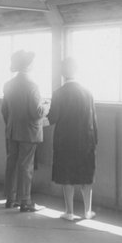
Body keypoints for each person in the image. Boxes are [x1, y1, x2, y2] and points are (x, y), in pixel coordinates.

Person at [48, 57, 97, 221]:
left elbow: (52, 118)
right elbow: (93, 119)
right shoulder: (88, 92)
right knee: (86, 175)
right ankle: (87, 211)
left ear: (62, 73)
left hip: (65, 141)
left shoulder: (58, 93)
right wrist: (94, 140)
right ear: (77, 70)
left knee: (67, 176)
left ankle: (69, 212)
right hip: (86, 140)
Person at [1, 49, 48, 212]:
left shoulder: (8, 85)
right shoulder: (32, 85)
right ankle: (25, 201)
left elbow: (4, 110)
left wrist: (11, 124)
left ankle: (10, 198)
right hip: (29, 132)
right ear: (28, 65)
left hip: (12, 130)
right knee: (25, 167)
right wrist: (46, 106)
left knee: (11, 164)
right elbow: (37, 112)